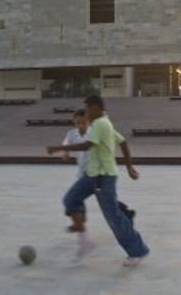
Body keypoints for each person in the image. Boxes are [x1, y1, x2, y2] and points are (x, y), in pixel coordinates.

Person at [47, 95, 149, 266]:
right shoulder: (101, 123)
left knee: (113, 217)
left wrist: (59, 148)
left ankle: (137, 251)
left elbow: (87, 145)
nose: (86, 112)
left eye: (87, 109)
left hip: (103, 177)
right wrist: (129, 166)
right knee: (70, 199)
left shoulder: (100, 124)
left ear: (95, 108)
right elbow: (122, 142)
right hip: (91, 175)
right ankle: (86, 241)